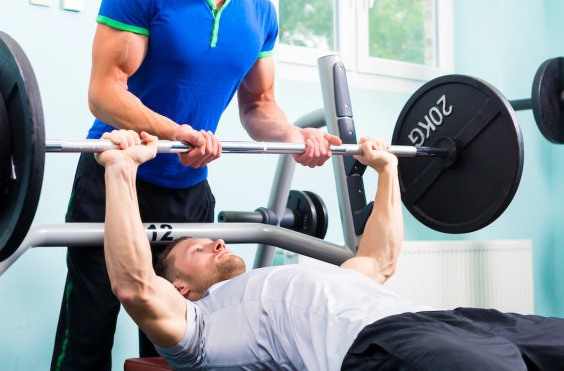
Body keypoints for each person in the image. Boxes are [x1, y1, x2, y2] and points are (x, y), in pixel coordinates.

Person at [51, 0, 342, 369]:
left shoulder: (260, 13)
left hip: (188, 193)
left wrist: (294, 135)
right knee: (89, 326)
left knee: (180, 336)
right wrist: (176, 132)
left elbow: (259, 106)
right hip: (116, 179)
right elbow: (104, 92)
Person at [98, 129, 564, 371]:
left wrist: (386, 171)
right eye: (197, 249)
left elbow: (379, 261)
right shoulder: (196, 332)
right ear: (178, 287)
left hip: (442, 319)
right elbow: (134, 286)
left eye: (212, 237)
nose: (217, 240)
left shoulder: (309, 279)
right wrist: (120, 170)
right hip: (379, 347)